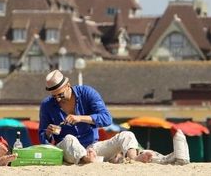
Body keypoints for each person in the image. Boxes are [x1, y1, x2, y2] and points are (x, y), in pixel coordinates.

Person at [38, 69, 189, 165]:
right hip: (68, 151)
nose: (57, 99)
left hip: (93, 146)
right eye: (54, 96)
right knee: (70, 139)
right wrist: (48, 133)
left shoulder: (87, 93)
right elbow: (42, 136)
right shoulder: (47, 105)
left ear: (68, 85)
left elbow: (106, 119)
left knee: (126, 135)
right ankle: (88, 161)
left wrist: (80, 118)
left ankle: (134, 159)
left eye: (60, 94)